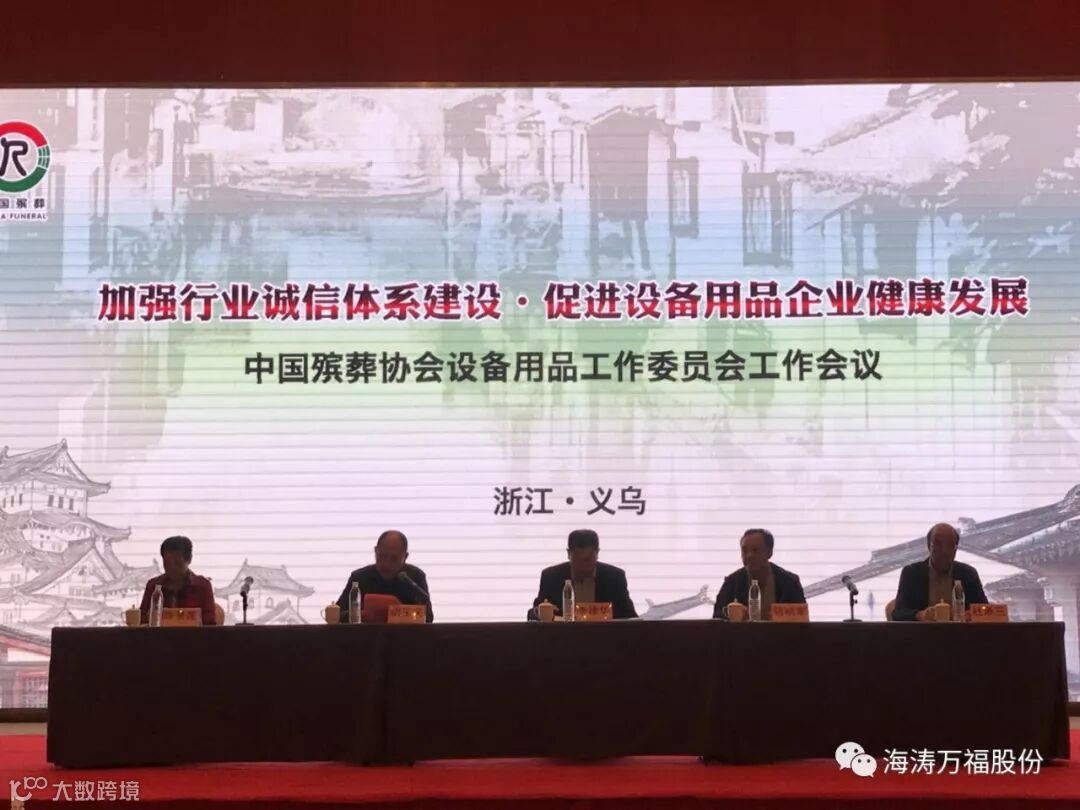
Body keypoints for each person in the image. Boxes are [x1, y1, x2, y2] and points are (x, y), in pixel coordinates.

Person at [529, 529, 637, 620]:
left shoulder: (614, 578)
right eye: (578, 560)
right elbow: (532, 614)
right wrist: (539, 612)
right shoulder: (551, 577)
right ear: (568, 554)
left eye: (588, 560)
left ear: (597, 553)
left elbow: (630, 616)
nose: (584, 566)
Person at [893, 523, 987, 621]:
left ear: (956, 549)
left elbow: (985, 610)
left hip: (960, 630)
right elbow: (898, 613)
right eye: (938, 545)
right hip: (923, 630)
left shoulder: (968, 574)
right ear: (929, 546)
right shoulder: (912, 573)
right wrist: (920, 615)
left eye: (950, 546)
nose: (944, 551)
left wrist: (971, 614)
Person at [336, 530, 433, 623]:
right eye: (382, 556)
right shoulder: (359, 578)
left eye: (394, 558)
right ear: (375, 551)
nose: (387, 564)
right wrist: (358, 615)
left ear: (405, 557)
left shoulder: (414, 578)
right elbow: (337, 614)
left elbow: (428, 617)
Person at [713, 528, 805, 620]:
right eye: (745, 550)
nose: (749, 555)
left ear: (770, 552)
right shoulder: (732, 582)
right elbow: (717, 616)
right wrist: (733, 614)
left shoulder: (789, 582)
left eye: (755, 550)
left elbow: (802, 620)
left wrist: (779, 617)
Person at [139, 535, 217, 625]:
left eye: (177, 563)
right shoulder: (153, 586)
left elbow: (210, 624)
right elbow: (141, 620)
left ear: (189, 559)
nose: (171, 568)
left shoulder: (202, 586)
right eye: (167, 563)